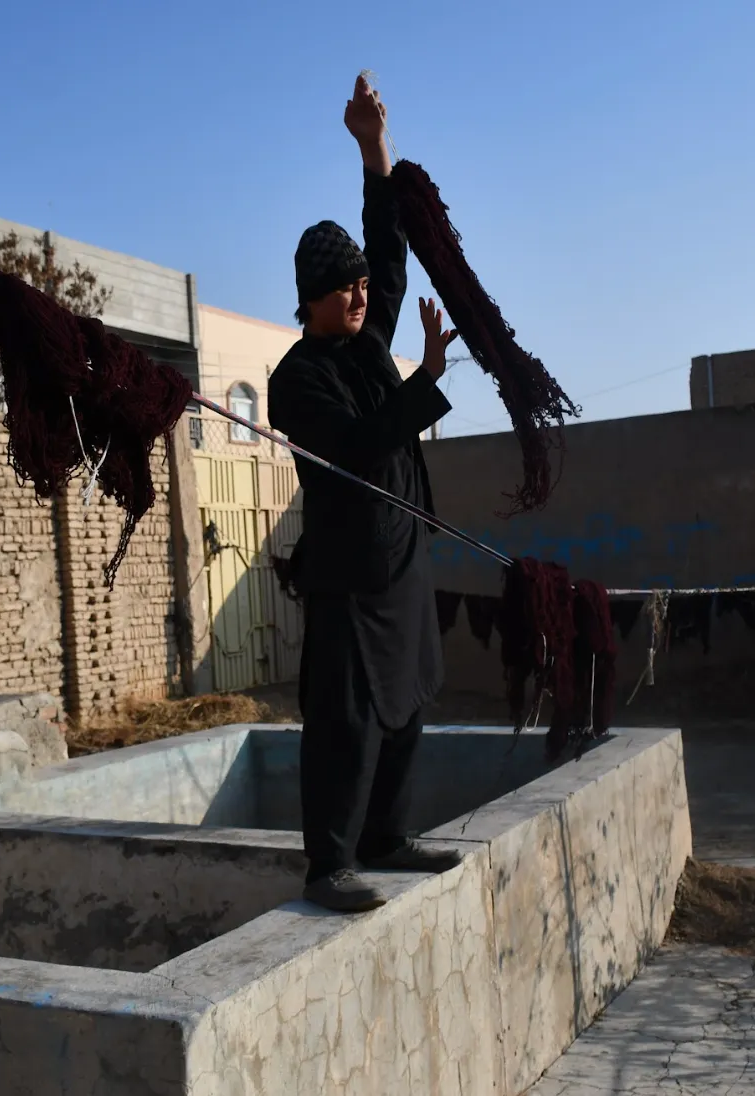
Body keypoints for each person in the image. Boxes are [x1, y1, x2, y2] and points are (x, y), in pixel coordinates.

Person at [268, 74, 464, 913]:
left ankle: (388, 834)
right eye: (342, 286)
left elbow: (388, 249)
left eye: (358, 284)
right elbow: (351, 447)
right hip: (348, 574)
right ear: (310, 298)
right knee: (345, 721)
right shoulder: (297, 379)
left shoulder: (368, 332)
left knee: (410, 698)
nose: (360, 292)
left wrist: (372, 150)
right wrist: (421, 383)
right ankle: (331, 864)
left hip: (403, 556)